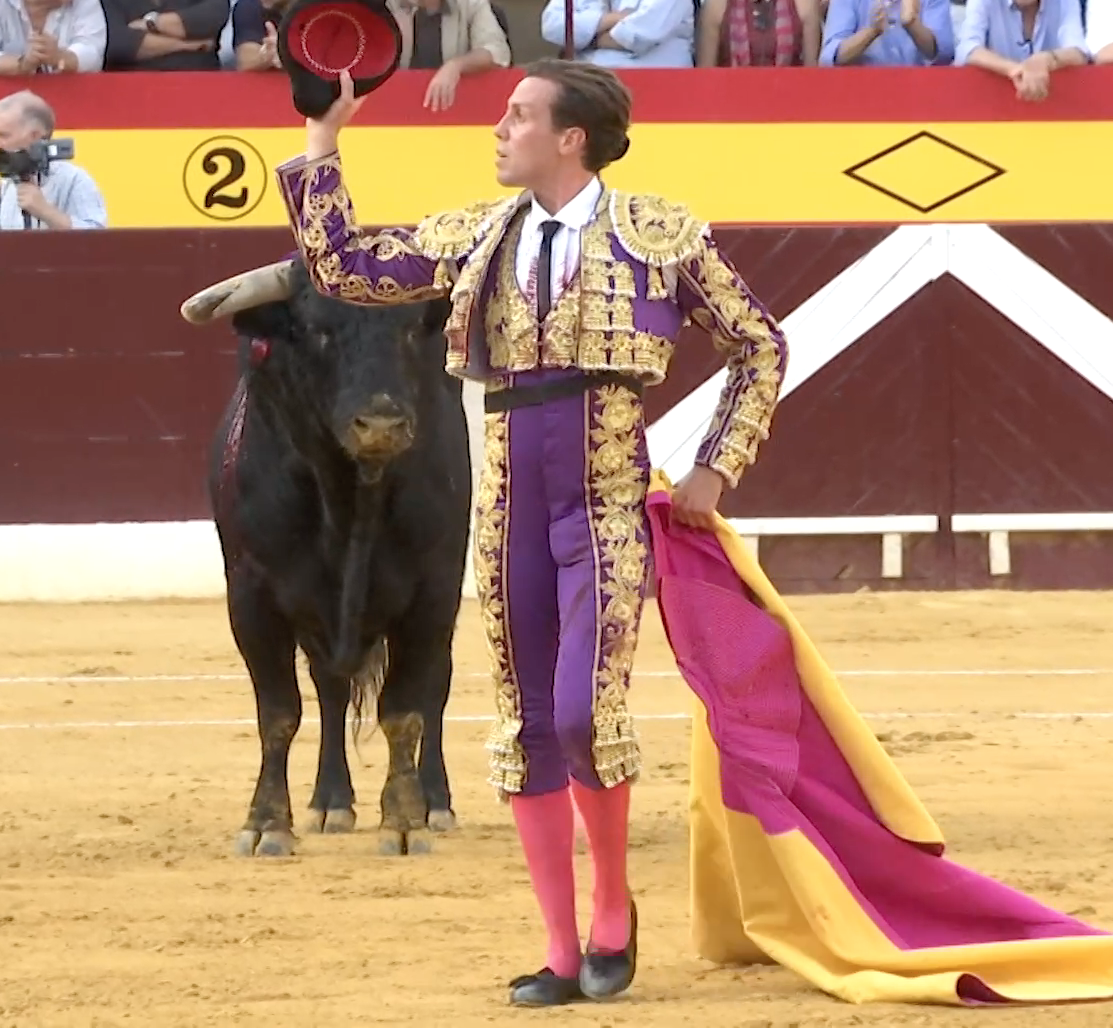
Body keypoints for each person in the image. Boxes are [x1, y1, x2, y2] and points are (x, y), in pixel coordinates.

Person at [270, 59, 787, 1006]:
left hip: (606, 498)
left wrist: (718, 464)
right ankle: (558, 946)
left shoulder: (659, 235)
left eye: (517, 116)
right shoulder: (478, 234)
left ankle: (612, 909)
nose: (499, 130)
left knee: (587, 712)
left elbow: (759, 345)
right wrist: (323, 136)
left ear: (570, 138)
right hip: (509, 501)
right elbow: (342, 267)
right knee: (529, 723)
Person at [0, 89, 108, 230]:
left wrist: (45, 211)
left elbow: (97, 236)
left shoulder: (72, 180)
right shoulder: (3, 187)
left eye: (4, 135)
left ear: (35, 136)